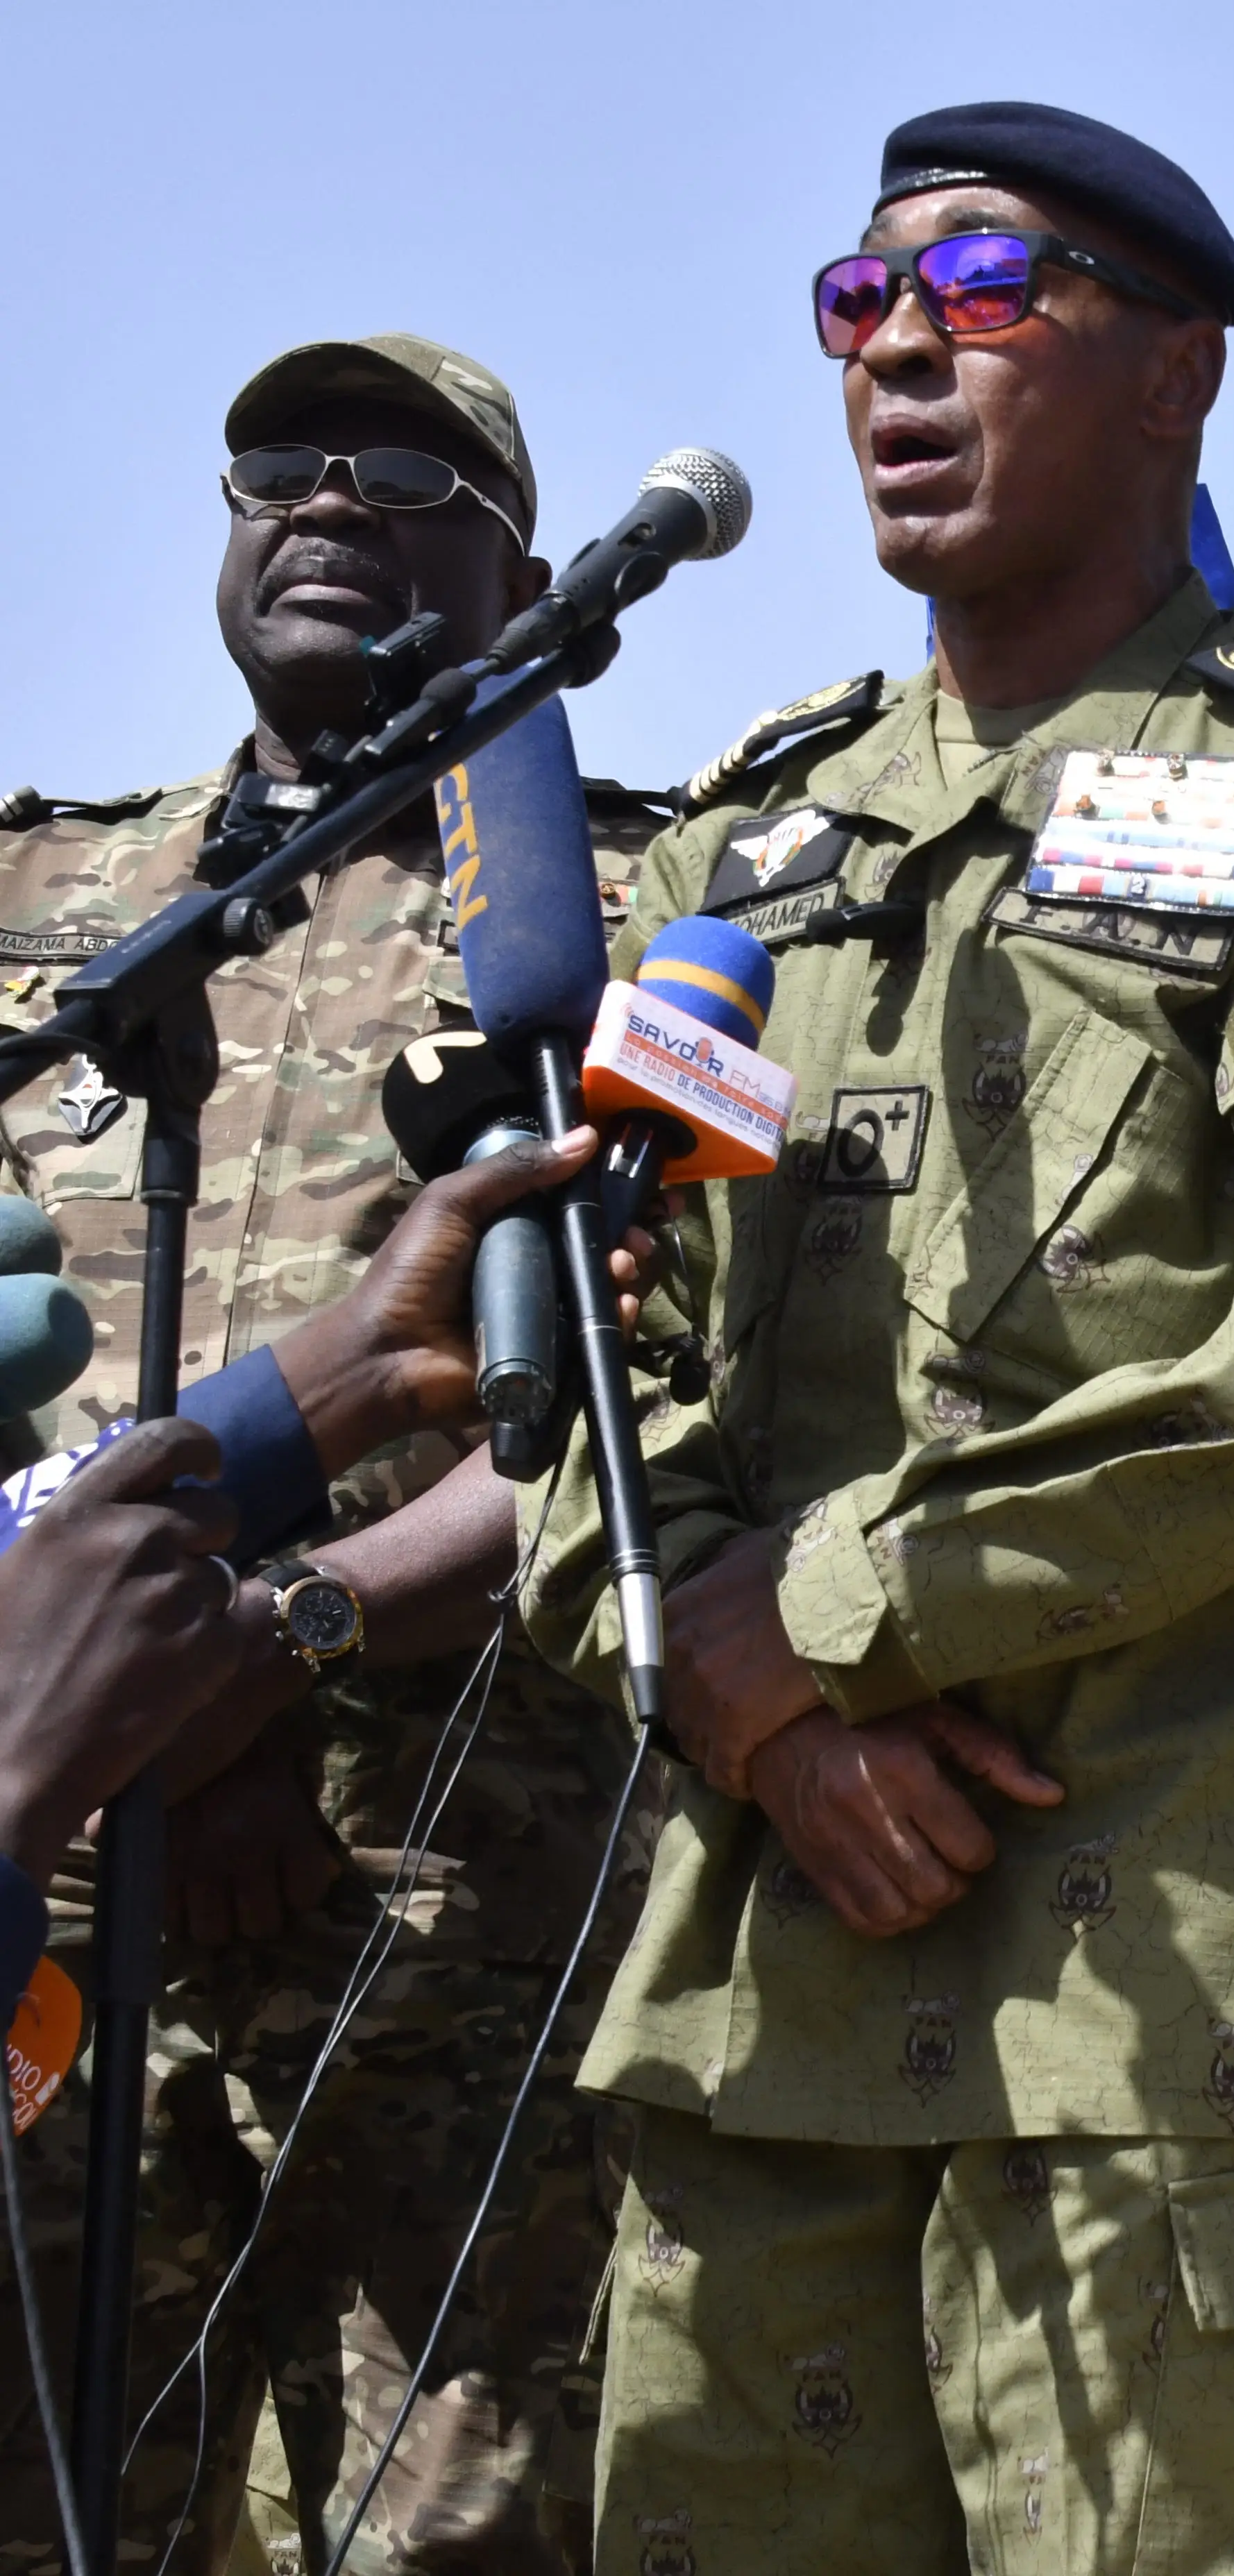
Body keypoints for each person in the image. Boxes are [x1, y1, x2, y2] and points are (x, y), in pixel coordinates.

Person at [517, 101, 1234, 2574]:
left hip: (1167, 2047)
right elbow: (589, 1348)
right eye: (855, 306)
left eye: (983, 297)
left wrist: (851, 1606)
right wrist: (730, 1687)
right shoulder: (745, 847)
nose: (897, 360)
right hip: (759, 2019)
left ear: (1178, 372)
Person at [0, 334, 669, 2575]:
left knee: (425, 2531)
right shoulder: (50, 917)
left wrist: (287, 1641)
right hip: (52, 1894)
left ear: (517, 563)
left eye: (402, 473)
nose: (325, 504)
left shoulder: (621, 935)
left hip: (436, 1918)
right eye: (277, 466)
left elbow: (651, 1404)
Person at [0, 1129, 629, 2000]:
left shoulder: (564, 1005)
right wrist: (159, 1701)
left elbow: (651, 1399)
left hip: (420, 1867)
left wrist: (271, 1642)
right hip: (62, 1878)